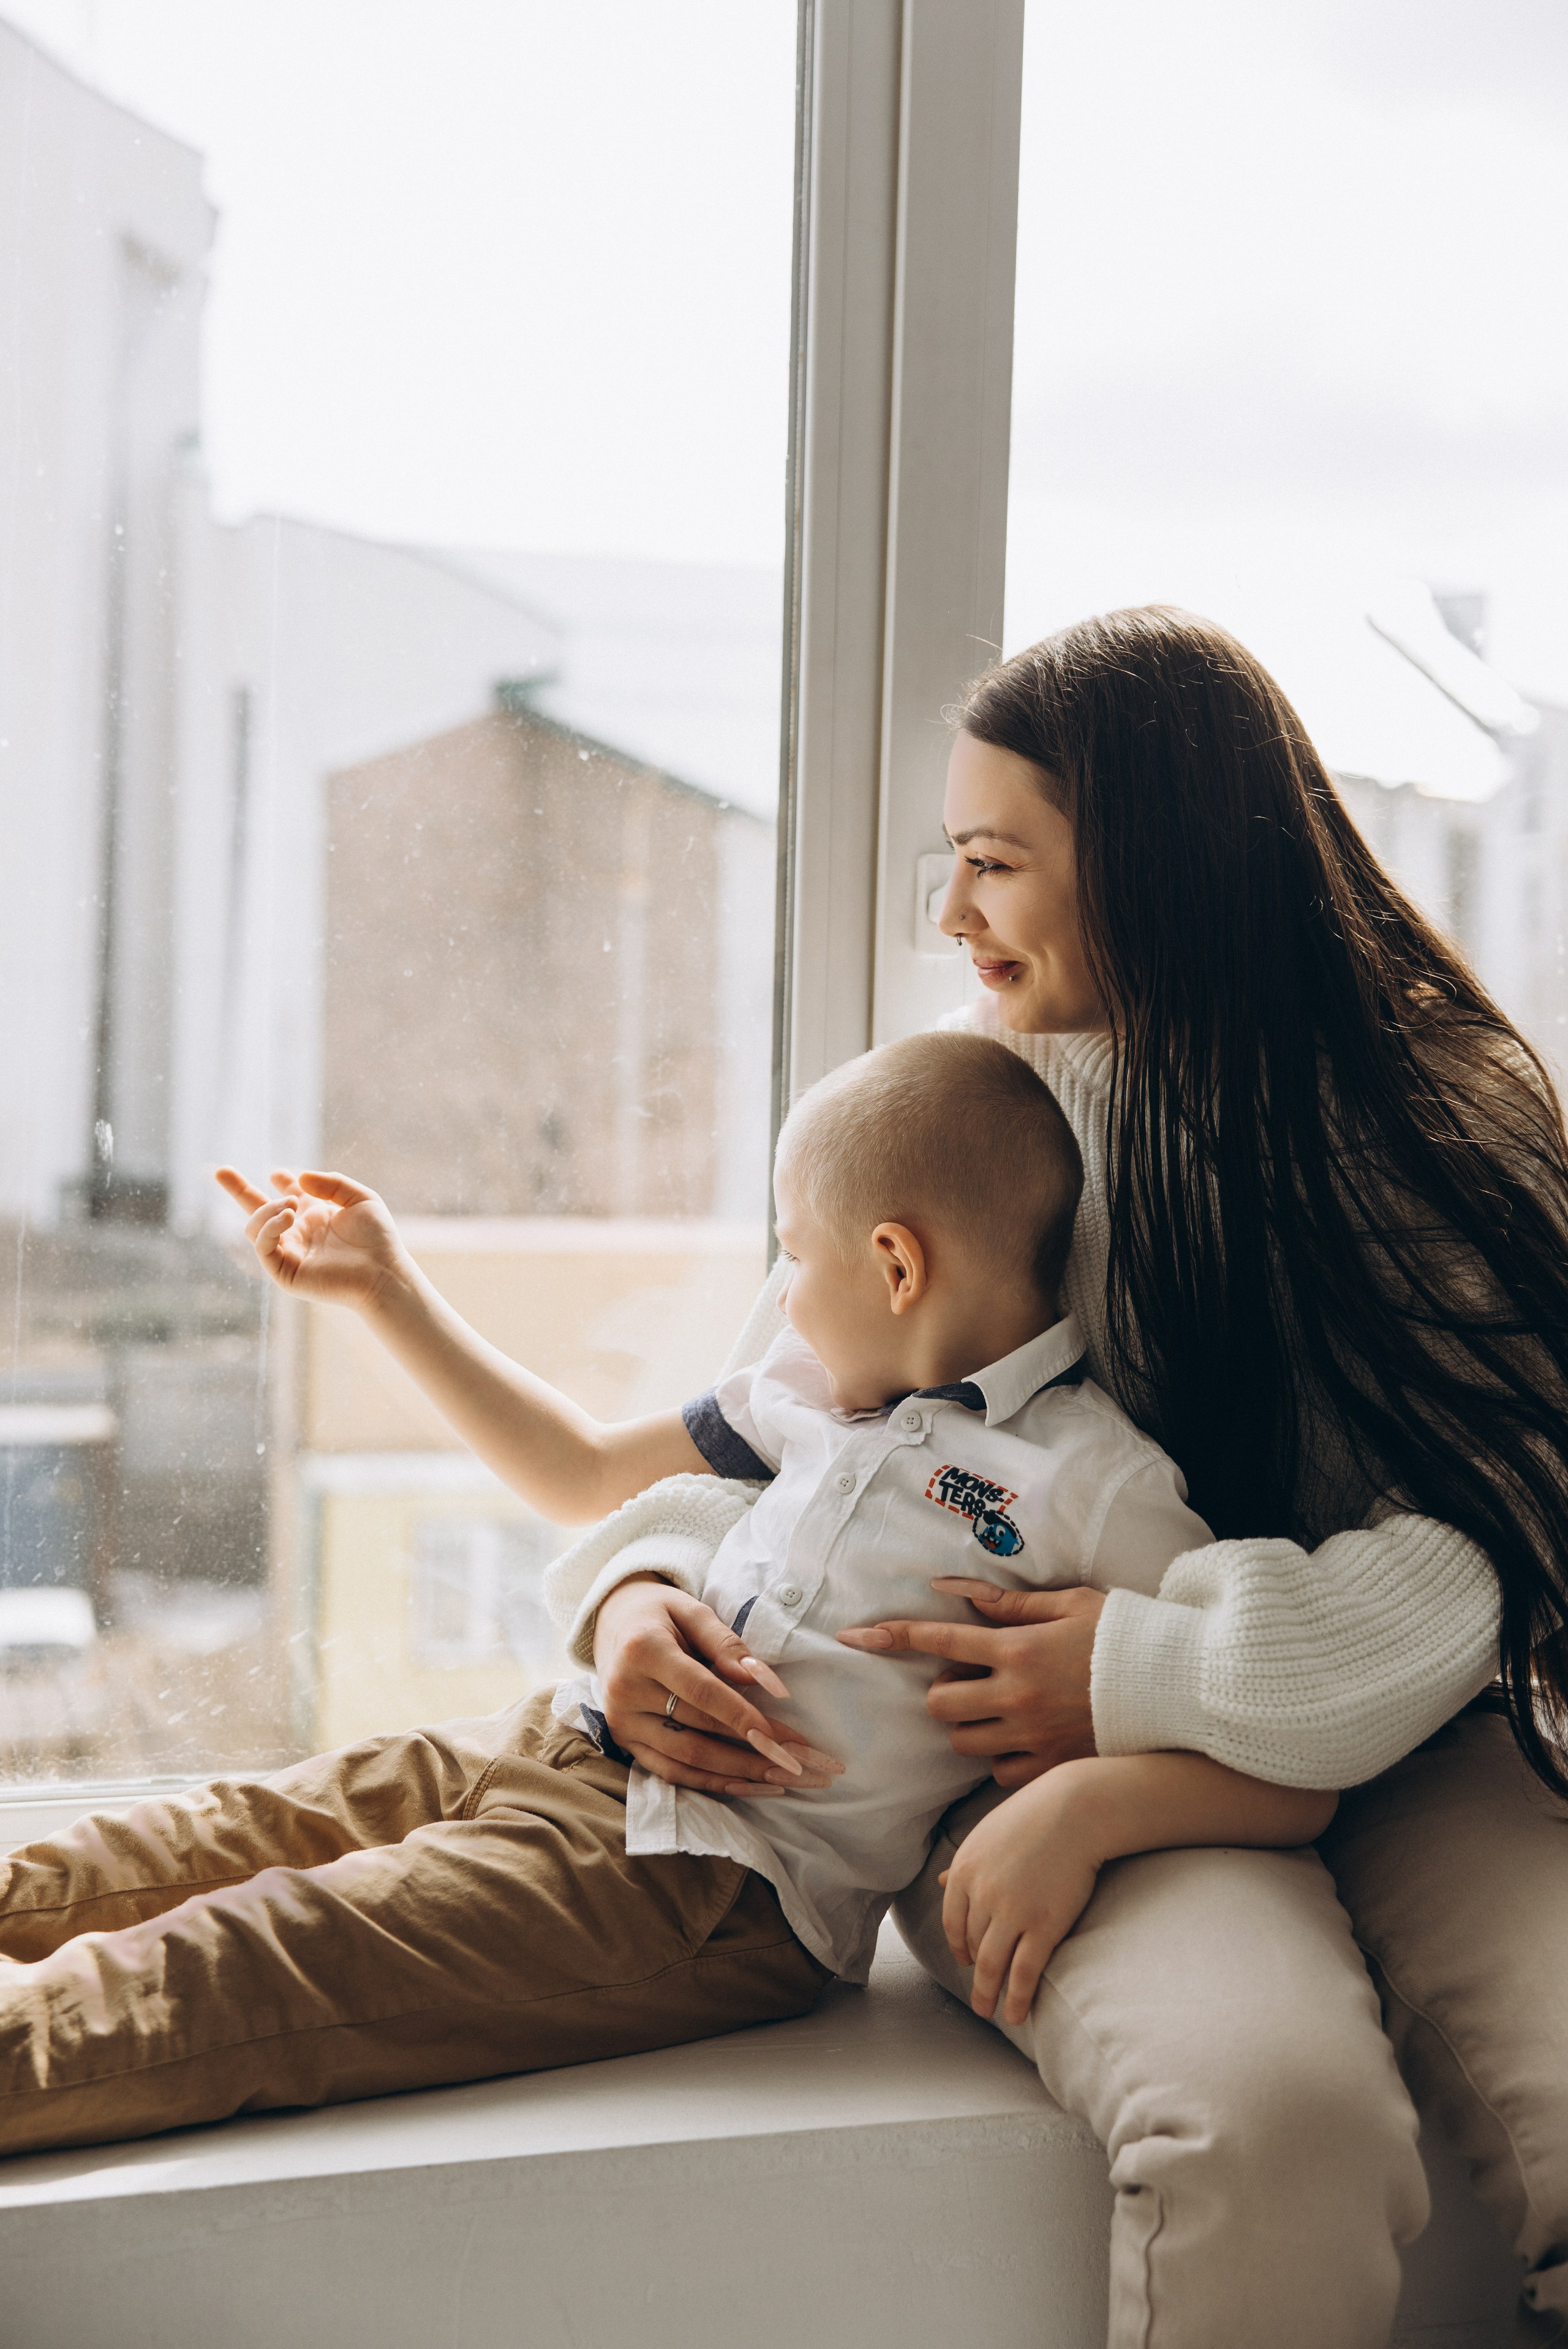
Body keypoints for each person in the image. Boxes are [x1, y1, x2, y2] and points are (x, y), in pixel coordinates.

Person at [580, 608, 1568, 2349]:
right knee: (1275, 2123)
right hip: (1025, 1753)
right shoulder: (971, 1098)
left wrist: (1148, 1670)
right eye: (948, 861)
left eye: (993, 862)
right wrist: (638, 1594)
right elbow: (799, 1413)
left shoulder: (1441, 1115)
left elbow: (1491, 1525)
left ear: (1157, 863)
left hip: (1413, 1730)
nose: (951, 915)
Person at [0, 1030, 1325, 2159]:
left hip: (703, 1888)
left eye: (793, 1257)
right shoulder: (799, 1394)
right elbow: (578, 1471)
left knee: (262, 1955)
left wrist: (1089, 1814)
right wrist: (388, 1291)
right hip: (554, 1739)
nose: (782, 1298)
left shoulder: (1089, 1482)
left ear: (895, 1267)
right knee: (215, 1834)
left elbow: (1275, 1741)